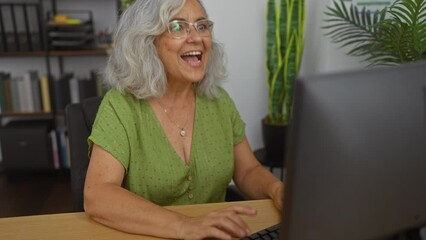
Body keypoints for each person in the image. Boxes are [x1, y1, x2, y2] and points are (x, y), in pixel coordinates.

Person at [84, 0, 284, 239]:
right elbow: (98, 195)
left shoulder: (218, 100)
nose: (196, 37)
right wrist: (186, 225)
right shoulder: (121, 105)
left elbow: (248, 170)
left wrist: (276, 189)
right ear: (147, 41)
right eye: (178, 27)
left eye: (201, 26)